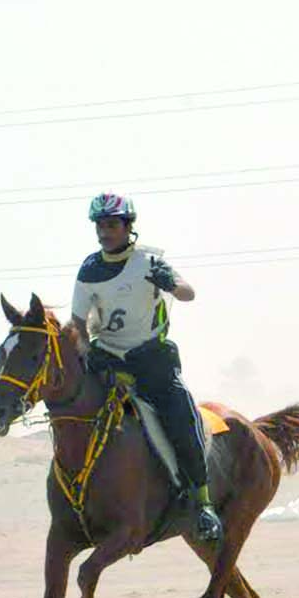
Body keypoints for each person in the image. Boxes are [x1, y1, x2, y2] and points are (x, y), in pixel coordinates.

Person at [70, 192, 223, 542]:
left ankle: (202, 504)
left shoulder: (149, 262)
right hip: (107, 359)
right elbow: (77, 322)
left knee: (183, 417)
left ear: (127, 227)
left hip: (152, 361)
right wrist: (86, 352)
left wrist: (169, 281)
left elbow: (188, 293)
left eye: (111, 225)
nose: (104, 232)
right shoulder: (89, 269)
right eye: (100, 226)